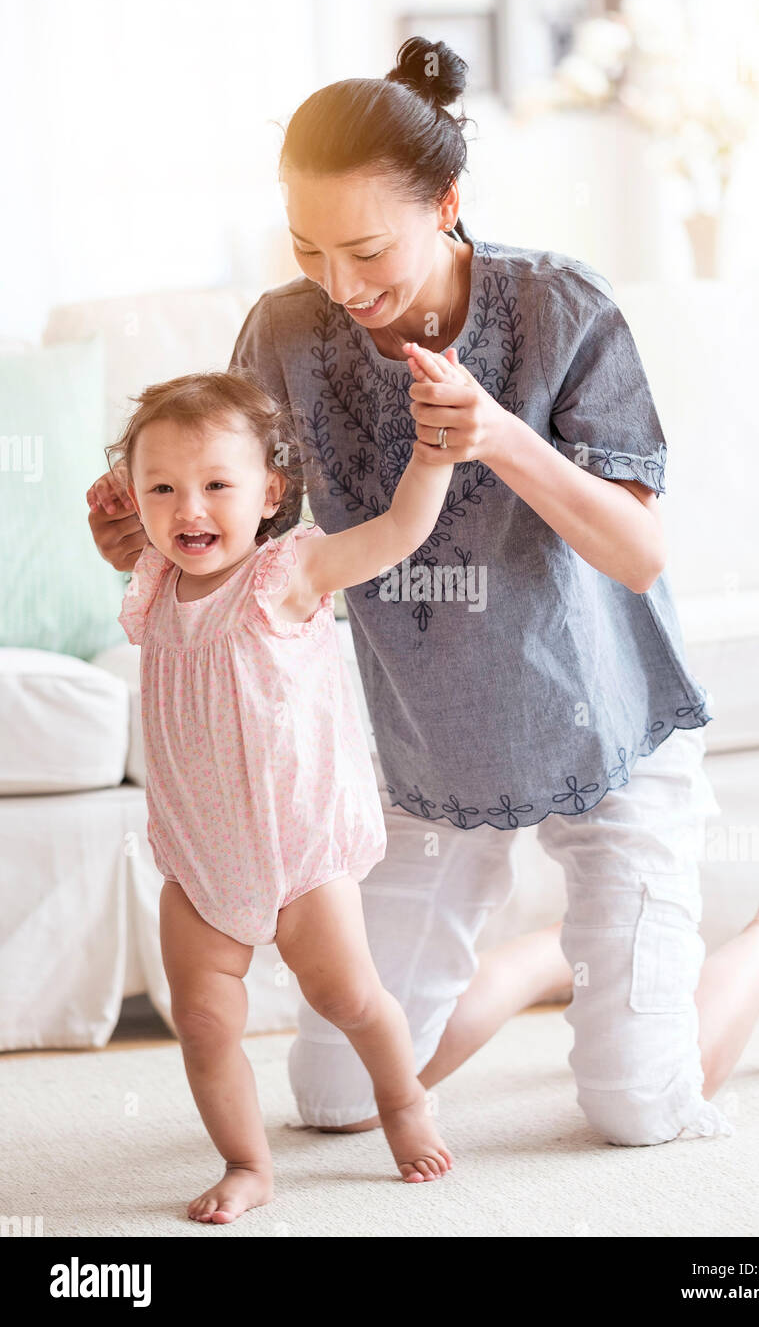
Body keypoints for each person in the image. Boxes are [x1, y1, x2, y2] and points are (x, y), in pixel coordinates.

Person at [88, 36, 759, 1159]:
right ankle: (571, 954)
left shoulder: (560, 310)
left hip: (605, 733)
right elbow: (248, 541)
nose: (341, 287)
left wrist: (499, 435)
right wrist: (140, 531)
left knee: (640, 1109)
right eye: (309, 248)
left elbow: (638, 553)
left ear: (447, 203)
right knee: (341, 1092)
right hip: (428, 760)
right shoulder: (284, 332)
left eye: (366, 250)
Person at [109, 367, 457, 1222]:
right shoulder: (153, 587)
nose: (191, 510)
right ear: (136, 496)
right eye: (163, 488)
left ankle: (404, 1097)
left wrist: (438, 456)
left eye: (217, 486)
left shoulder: (286, 576)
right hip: (200, 863)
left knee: (347, 997)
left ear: (269, 492)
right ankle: (247, 1162)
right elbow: (132, 539)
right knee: (200, 1021)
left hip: (300, 850)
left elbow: (398, 531)